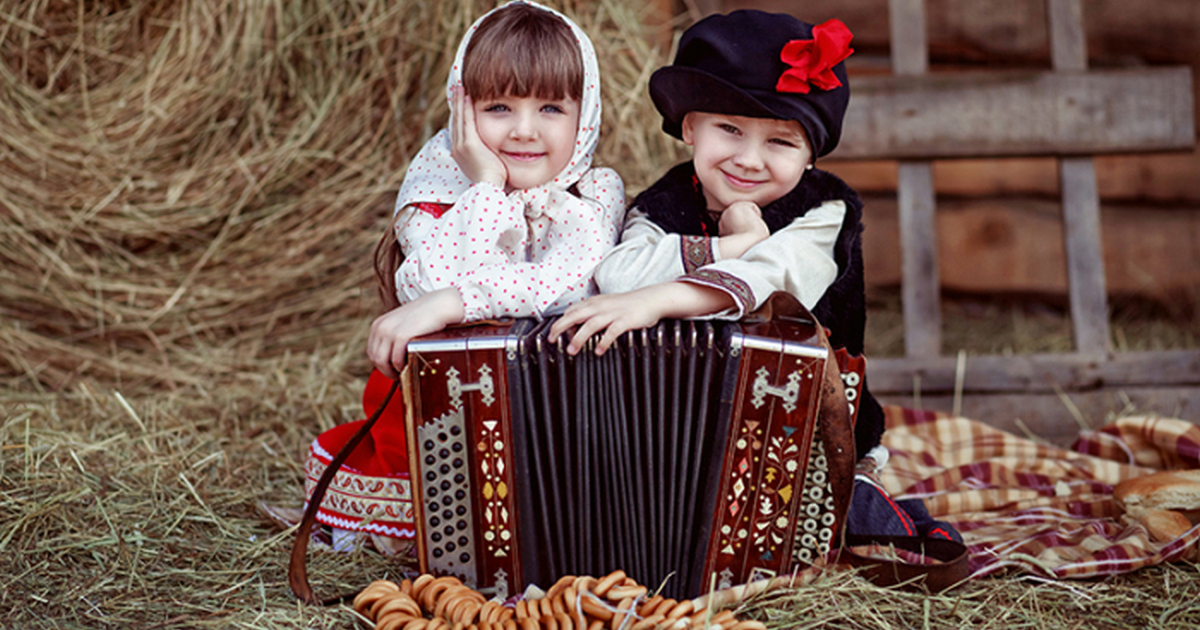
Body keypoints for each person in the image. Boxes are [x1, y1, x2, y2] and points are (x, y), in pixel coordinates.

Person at [301, 0, 625, 554]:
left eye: (551, 107)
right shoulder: (438, 188)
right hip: (446, 416)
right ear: (462, 109)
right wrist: (486, 186)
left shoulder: (595, 194)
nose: (524, 130)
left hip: (559, 415)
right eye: (499, 107)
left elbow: (570, 283)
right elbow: (429, 285)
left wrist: (454, 302)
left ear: (585, 113)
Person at [547, 9, 887, 464]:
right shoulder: (661, 205)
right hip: (672, 440)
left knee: (853, 501)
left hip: (803, 439)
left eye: (780, 141)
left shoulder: (823, 213)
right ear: (690, 127)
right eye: (730, 129)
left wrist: (657, 299)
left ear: (810, 155)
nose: (748, 159)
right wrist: (731, 245)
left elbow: (773, 276)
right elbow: (619, 274)